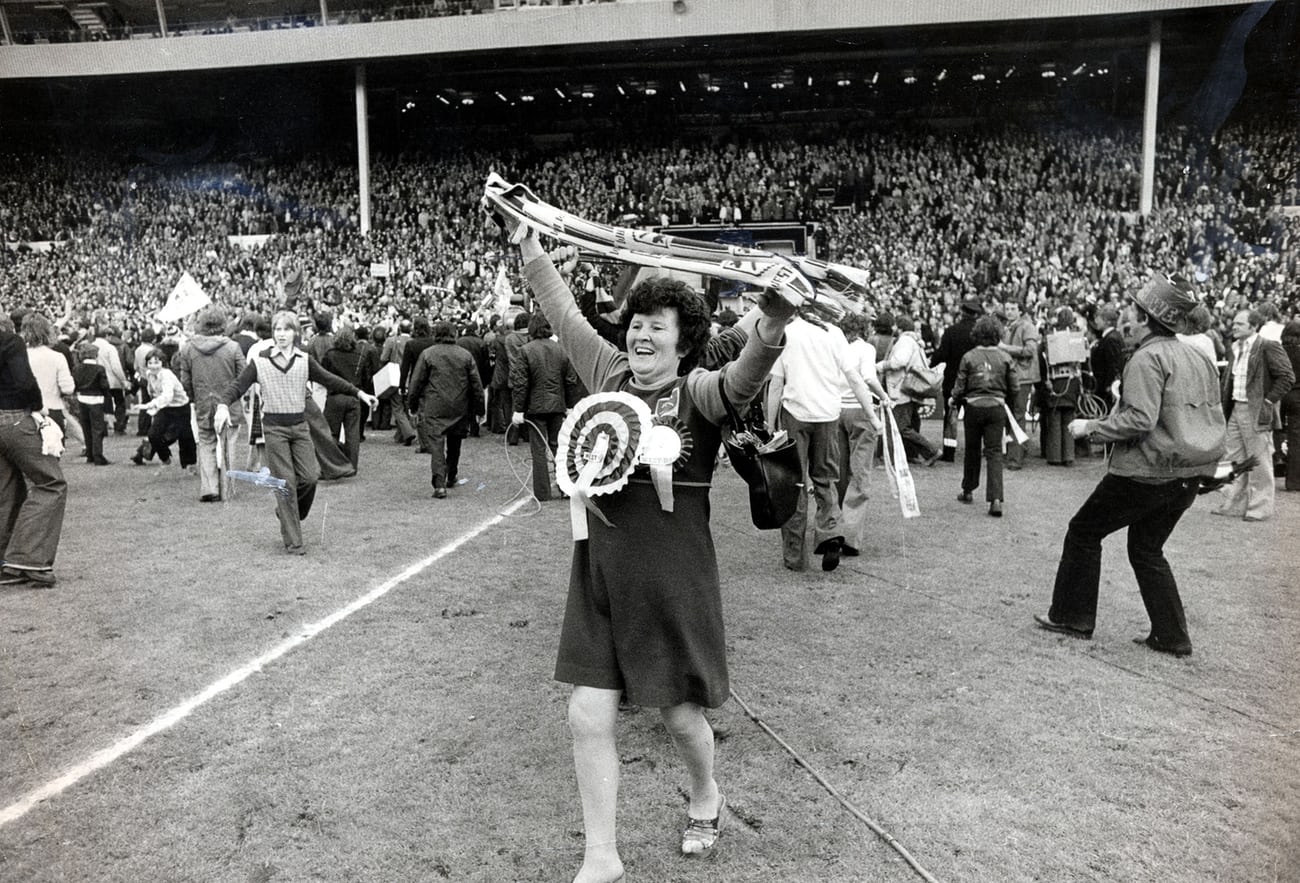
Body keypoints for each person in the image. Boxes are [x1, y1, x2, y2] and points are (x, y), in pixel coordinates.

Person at [517, 222, 796, 883]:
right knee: (587, 711)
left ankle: (705, 793)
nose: (641, 334)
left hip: (673, 573)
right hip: (600, 569)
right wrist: (530, 250)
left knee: (679, 712)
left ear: (684, 341)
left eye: (657, 327)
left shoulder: (698, 390)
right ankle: (602, 856)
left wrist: (769, 326)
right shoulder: (609, 371)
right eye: (637, 323)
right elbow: (565, 315)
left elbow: (741, 383)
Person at [1035, 274, 1226, 658]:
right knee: (1146, 549)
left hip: (1146, 472)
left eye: (1132, 312)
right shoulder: (1198, 357)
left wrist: (1091, 427)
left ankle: (1072, 617)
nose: (1126, 318)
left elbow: (1139, 419)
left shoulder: (1147, 358)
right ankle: (1172, 636)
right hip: (1186, 474)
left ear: (1144, 319)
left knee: (1083, 531)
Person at [215, 311, 378, 554]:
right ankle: (294, 542)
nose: (281, 334)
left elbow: (330, 379)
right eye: (277, 330)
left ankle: (287, 512)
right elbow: (237, 386)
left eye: (286, 329)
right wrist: (222, 405)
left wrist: (360, 393)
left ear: (295, 333)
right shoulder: (260, 362)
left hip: (300, 427)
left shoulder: (304, 360)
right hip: (274, 429)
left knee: (310, 477)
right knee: (286, 484)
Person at [767, 313, 881, 571]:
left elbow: (776, 384)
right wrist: (872, 415)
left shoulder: (788, 332)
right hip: (828, 414)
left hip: (795, 413)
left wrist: (770, 425)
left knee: (794, 482)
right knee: (826, 479)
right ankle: (830, 535)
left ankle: (795, 556)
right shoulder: (834, 333)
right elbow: (854, 378)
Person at [0, 322, 67, 588]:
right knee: (52, 483)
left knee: (7, 491)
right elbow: (24, 381)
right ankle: (28, 558)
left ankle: (7, 563)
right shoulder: (10, 341)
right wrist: (38, 406)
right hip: (14, 419)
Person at [1212, 308, 1294, 521]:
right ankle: (1232, 503)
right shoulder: (1235, 347)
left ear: (1253, 326)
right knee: (1232, 457)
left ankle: (1260, 508)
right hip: (1236, 408)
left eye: (1239, 324)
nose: (1234, 327)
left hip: (1256, 411)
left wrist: (1268, 401)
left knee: (1258, 460)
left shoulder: (1267, 346)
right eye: (1234, 323)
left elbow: (1287, 377)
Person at [175, 305, 246, 502]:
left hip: (203, 401)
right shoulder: (232, 347)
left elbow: (185, 380)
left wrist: (194, 397)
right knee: (229, 443)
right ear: (222, 324)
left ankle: (209, 488)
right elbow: (243, 376)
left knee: (206, 443)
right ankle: (227, 488)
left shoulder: (188, 348)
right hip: (229, 401)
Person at [833, 311, 889, 557]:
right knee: (860, 472)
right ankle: (850, 534)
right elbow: (868, 377)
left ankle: (834, 526)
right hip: (860, 410)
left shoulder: (835, 346)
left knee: (839, 472)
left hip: (835, 410)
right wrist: (884, 396)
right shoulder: (865, 349)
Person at [407, 321, 483, 498]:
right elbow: (476, 384)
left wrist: (412, 405)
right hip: (459, 405)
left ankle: (439, 484)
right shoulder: (465, 355)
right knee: (455, 442)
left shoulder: (428, 354)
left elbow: (416, 382)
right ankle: (451, 474)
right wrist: (479, 409)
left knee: (436, 445)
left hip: (435, 405)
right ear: (454, 333)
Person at [510, 313, 581, 502]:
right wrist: (569, 405)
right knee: (560, 447)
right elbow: (570, 380)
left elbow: (521, 383)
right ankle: (565, 488)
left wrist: (518, 409)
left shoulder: (525, 351)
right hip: (557, 406)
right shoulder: (561, 350)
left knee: (539, 450)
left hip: (535, 408)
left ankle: (543, 493)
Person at [950, 315, 1016, 517]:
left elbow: (960, 386)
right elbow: (1014, 387)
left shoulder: (969, 357)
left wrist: (954, 399)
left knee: (972, 449)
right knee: (994, 452)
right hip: (996, 407)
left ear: (977, 333)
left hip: (973, 407)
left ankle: (968, 490)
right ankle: (995, 499)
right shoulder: (1005, 357)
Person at [876, 315, 941, 465]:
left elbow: (900, 361)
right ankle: (916, 454)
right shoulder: (914, 341)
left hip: (901, 388)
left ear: (900, 328)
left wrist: (882, 365)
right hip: (910, 388)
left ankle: (930, 451)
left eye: (895, 326)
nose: (893, 329)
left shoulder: (905, 341)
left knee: (900, 427)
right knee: (907, 425)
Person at [930, 297, 983, 461]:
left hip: (953, 381)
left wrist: (929, 363)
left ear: (962, 312)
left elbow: (942, 355)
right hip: (975, 383)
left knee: (951, 417)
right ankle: (973, 451)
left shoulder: (951, 331)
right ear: (976, 314)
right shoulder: (980, 334)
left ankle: (949, 453)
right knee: (973, 419)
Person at [139, 347, 197, 471]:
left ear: (162, 363)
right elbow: (153, 392)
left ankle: (190, 465)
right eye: (150, 363)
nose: (153, 366)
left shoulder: (166, 375)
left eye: (156, 362)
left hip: (181, 407)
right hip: (166, 407)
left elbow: (168, 395)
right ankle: (165, 459)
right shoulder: (149, 374)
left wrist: (151, 405)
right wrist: (155, 406)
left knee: (185, 436)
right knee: (153, 434)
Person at [1040, 306, 1084, 466]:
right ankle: (1069, 455)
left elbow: (1042, 359)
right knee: (1069, 419)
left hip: (1055, 381)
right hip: (1072, 381)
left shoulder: (1049, 337)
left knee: (1054, 420)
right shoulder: (1077, 336)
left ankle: (1055, 456)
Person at [998, 300, 1040, 469]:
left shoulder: (1027, 327)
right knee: (1010, 416)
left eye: (1013, 309)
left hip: (1022, 377)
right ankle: (1013, 453)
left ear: (1020, 311)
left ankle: (1015, 458)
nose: (1009, 312)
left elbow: (1030, 350)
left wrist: (1005, 348)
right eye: (1007, 308)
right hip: (1011, 376)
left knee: (1017, 416)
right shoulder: (1008, 327)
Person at [22, 313, 75, 438]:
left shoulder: (20, 357)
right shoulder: (57, 357)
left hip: (27, 411)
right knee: (54, 447)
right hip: (53, 408)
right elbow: (68, 388)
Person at [321, 326, 366, 472]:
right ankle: (352, 466)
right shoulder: (359, 356)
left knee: (331, 433)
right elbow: (365, 377)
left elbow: (323, 375)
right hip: (354, 397)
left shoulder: (330, 355)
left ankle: (332, 465)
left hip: (335, 397)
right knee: (353, 435)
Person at [73, 342, 112, 466]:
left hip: (82, 398)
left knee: (86, 427)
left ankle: (89, 454)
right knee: (97, 429)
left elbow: (74, 384)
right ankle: (98, 455)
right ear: (95, 355)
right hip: (96, 400)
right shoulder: (99, 369)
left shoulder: (77, 368)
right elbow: (104, 386)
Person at [1281, 320, 1300, 492]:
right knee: (1296, 438)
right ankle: (1294, 480)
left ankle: (1278, 463)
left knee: (1277, 432)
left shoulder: (1280, 351)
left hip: (1281, 395)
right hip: (1297, 397)